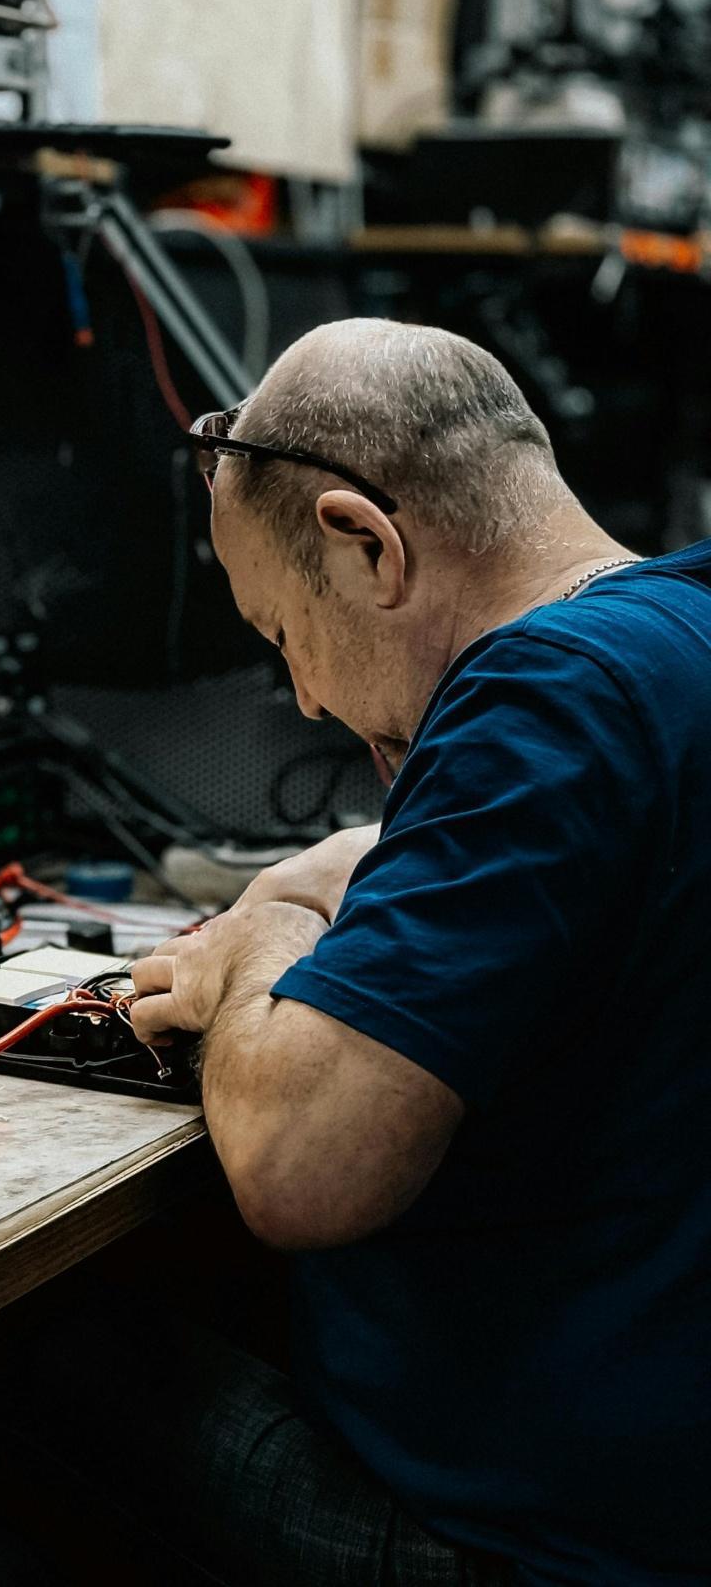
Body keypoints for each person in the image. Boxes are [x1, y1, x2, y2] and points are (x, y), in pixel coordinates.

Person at [110, 319, 711, 1585]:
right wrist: (381, 854)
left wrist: (263, 919)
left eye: (284, 637)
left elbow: (298, 1167)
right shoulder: (680, 638)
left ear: (366, 543)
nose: (312, 700)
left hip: (541, 1544)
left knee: (25, 1361)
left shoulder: (547, 697)